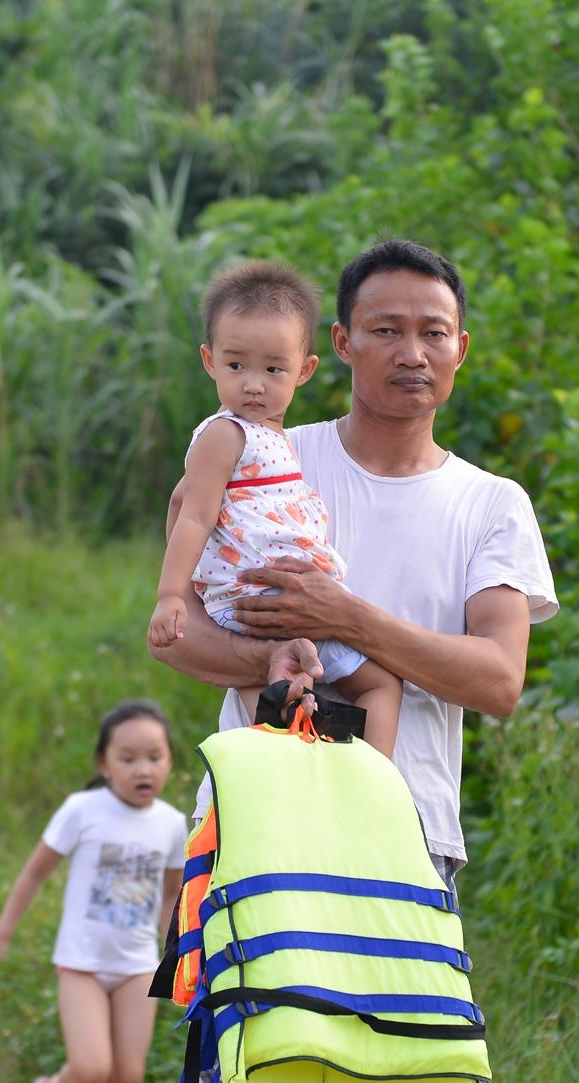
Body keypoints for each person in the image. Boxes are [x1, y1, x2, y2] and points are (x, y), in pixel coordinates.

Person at [149, 239, 558, 1083]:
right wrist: (270, 660)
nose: (411, 351)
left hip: (408, 827)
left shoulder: (490, 503)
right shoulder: (263, 443)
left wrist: (346, 618)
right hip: (264, 819)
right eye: (385, 329)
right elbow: (178, 632)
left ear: (461, 350)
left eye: (432, 332)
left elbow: (498, 679)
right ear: (336, 345)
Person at [147, 260, 402, 758]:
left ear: (304, 370)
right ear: (209, 360)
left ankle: (364, 781)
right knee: (356, 688)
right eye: (236, 366)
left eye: (272, 369)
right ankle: (345, 779)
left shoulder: (274, 437)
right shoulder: (225, 434)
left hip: (294, 601)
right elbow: (193, 516)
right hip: (257, 601)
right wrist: (170, 595)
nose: (253, 384)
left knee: (360, 690)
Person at [0, 699, 188, 1083]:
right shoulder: (82, 810)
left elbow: (170, 897)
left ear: (169, 762)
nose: (143, 769)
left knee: (128, 1079)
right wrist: (1, 937)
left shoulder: (173, 824)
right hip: (82, 965)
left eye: (154, 757)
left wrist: (177, 961)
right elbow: (34, 873)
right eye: (128, 759)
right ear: (104, 764)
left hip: (137, 967)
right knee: (90, 1069)